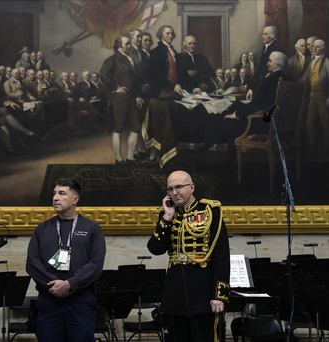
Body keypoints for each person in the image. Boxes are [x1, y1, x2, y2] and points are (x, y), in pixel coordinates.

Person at [147, 170, 230, 342]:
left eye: (178, 187)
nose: (174, 192)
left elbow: (221, 255)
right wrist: (167, 218)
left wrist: (218, 296)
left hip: (203, 295)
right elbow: (155, 249)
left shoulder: (210, 211)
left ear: (191, 187)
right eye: (170, 189)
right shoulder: (166, 214)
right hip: (174, 295)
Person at [26, 178, 106, 342]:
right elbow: (32, 263)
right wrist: (55, 284)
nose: (55, 197)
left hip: (80, 303)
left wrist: (71, 284)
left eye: (62, 193)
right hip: (49, 303)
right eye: (54, 193)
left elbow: (96, 264)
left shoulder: (92, 228)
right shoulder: (42, 229)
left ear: (75, 199)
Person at [99, 36, 144, 165]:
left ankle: (130, 158)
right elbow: (103, 74)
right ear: (119, 46)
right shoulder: (112, 59)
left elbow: (134, 81)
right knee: (117, 128)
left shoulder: (130, 58)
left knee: (136, 127)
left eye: (129, 44)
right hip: (119, 99)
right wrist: (115, 88)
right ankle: (119, 159)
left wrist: (137, 95)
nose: (129, 46)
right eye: (127, 44)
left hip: (131, 98)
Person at [149, 25, 184, 98]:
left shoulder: (174, 52)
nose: (171, 36)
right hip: (161, 92)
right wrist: (172, 86)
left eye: (171, 33)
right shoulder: (155, 52)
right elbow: (157, 76)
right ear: (161, 36)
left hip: (175, 91)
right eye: (167, 33)